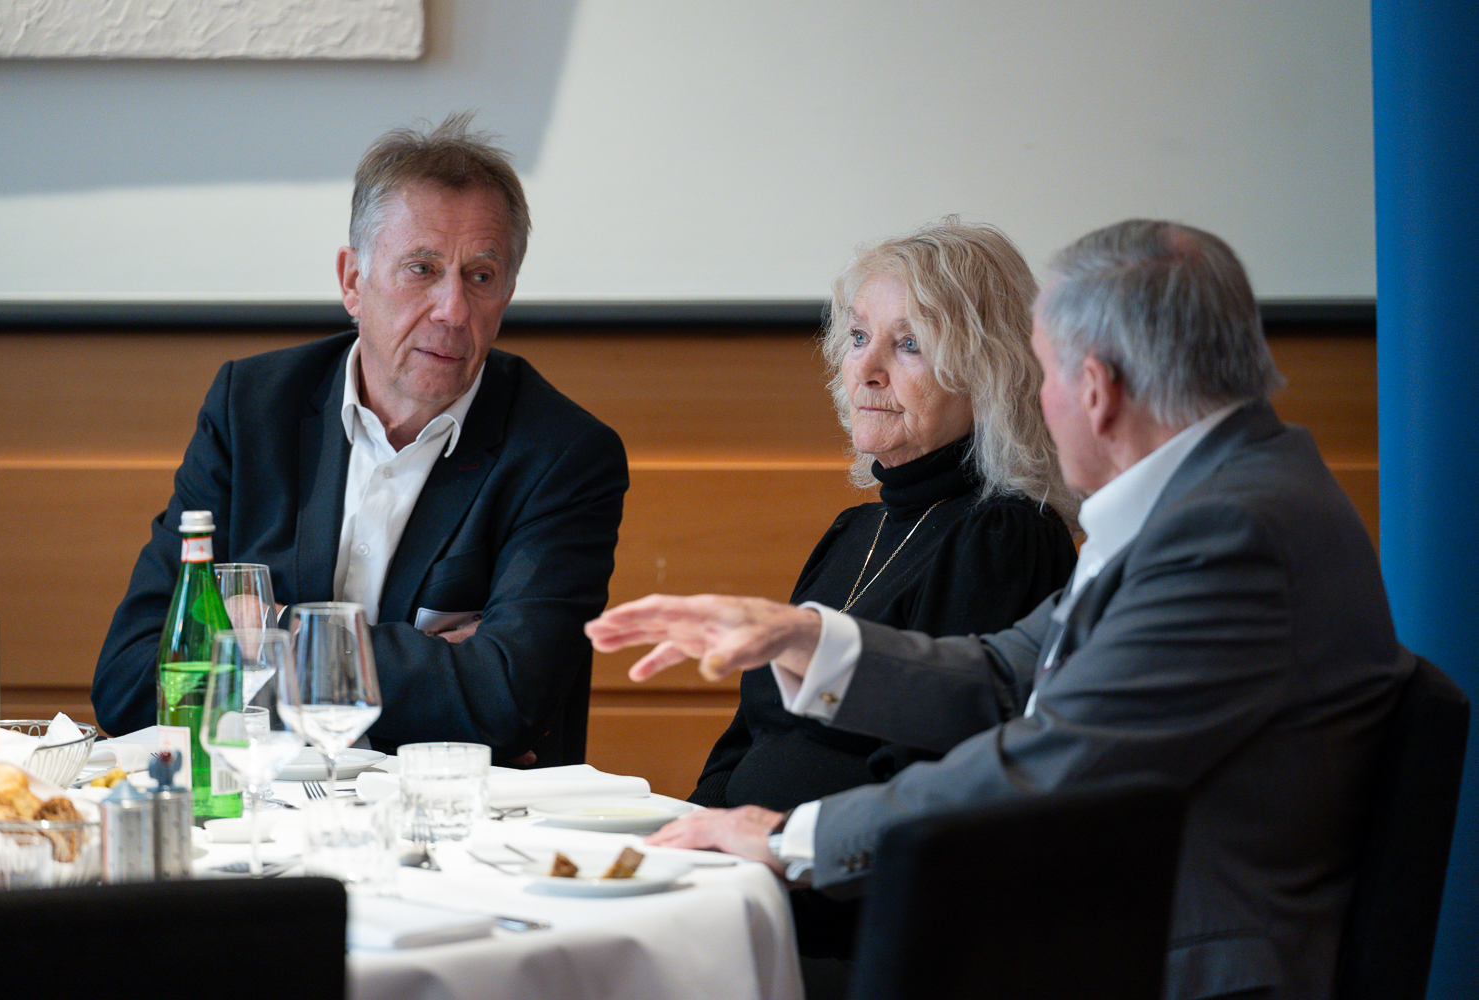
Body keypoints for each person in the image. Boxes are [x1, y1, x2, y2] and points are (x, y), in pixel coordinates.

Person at [586, 219, 1410, 1000]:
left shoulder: (1229, 534)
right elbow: (1009, 672)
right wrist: (806, 635)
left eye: (1042, 372)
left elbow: (1049, 769)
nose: (1033, 399)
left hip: (1155, 967)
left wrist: (784, 841)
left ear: (1095, 390)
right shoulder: (1222, 497)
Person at [94, 112, 629, 766]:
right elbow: (129, 679)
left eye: (481, 277)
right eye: (422, 269)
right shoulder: (252, 409)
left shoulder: (563, 455)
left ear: (508, 294)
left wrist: (266, 633)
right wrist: (434, 665)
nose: (452, 310)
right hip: (260, 802)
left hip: (450, 815)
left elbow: (506, 701)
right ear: (352, 282)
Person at [690, 220, 1078, 968]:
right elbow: (750, 734)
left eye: (909, 345)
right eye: (859, 337)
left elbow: (934, 784)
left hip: (856, 923)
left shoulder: (1004, 534)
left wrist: (760, 865)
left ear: (988, 372)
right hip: (753, 891)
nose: (865, 369)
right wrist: (684, 844)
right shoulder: (852, 531)